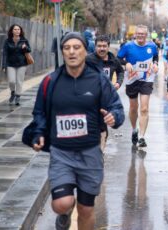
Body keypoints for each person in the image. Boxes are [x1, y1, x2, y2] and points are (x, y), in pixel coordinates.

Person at [29, 32, 125, 229]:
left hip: (90, 153)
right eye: (67, 48)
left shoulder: (98, 80)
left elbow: (116, 107)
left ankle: (73, 210)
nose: (72, 52)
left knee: (86, 209)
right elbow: (39, 113)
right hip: (61, 154)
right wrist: (38, 133)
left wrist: (114, 117)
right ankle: (65, 211)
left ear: (84, 51)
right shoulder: (51, 82)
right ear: (62, 52)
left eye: (76, 47)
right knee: (61, 203)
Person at [117, 25, 159, 147]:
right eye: (139, 34)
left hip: (147, 78)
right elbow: (118, 59)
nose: (141, 36)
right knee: (133, 108)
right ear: (135, 34)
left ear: (146, 35)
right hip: (132, 79)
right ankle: (134, 129)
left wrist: (155, 64)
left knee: (144, 108)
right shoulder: (128, 46)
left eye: (143, 34)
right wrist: (126, 63)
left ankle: (142, 137)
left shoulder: (152, 46)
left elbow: (156, 56)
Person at [86, 34, 125, 151]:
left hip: (105, 98)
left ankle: (100, 151)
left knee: (102, 124)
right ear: (95, 47)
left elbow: (121, 72)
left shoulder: (114, 60)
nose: (102, 48)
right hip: (90, 97)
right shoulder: (88, 60)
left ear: (108, 47)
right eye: (99, 46)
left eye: (104, 46)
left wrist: (118, 83)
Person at [1, 24, 31, 106]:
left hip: (22, 64)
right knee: (11, 81)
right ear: (12, 31)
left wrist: (25, 47)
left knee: (19, 81)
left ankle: (18, 96)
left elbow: (29, 50)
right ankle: (13, 92)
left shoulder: (24, 40)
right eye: (15, 29)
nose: (17, 31)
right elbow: (5, 54)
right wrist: (3, 65)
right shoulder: (7, 41)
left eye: (18, 29)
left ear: (20, 31)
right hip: (10, 64)